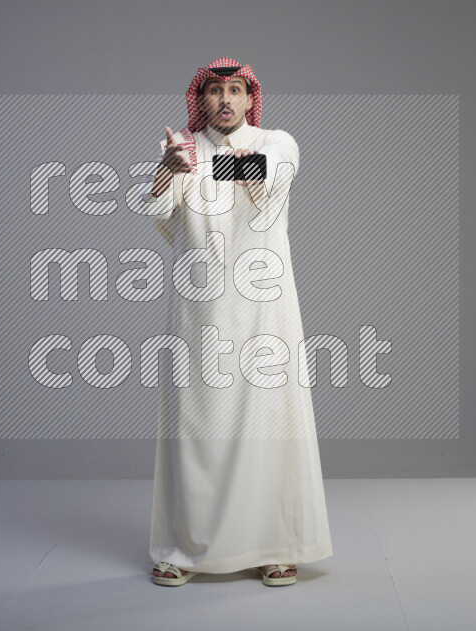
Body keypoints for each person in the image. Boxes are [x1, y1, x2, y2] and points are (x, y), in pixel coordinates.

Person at [143, 58, 333, 587]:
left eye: (234, 91)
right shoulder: (180, 150)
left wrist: (199, 165)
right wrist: (167, 171)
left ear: (250, 99)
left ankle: (275, 545)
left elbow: (266, 171)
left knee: (268, 425)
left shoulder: (279, 141)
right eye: (213, 92)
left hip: (264, 312)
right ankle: (182, 549)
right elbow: (156, 211)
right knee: (193, 426)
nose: (225, 100)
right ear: (199, 100)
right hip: (198, 309)